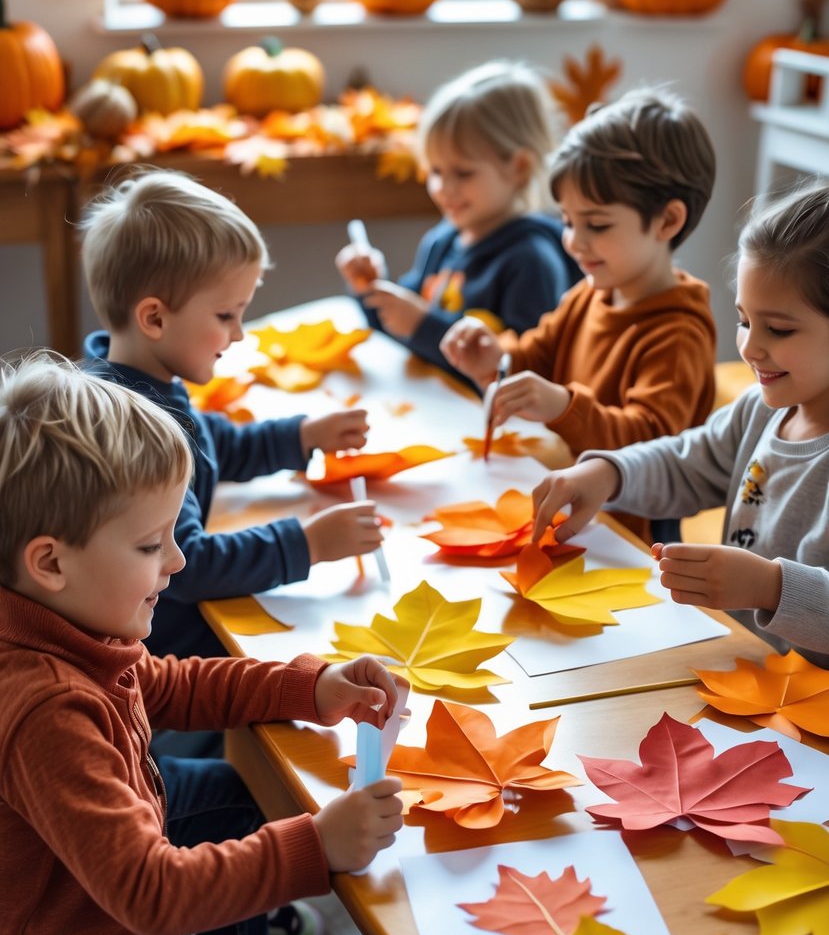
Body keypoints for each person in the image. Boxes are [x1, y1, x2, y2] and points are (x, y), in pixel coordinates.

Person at [0, 354, 404, 935]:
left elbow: (169, 686)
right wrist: (316, 845)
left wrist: (310, 685)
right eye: (148, 546)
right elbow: (149, 894)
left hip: (122, 861)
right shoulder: (45, 707)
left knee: (244, 796)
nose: (179, 560)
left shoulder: (77, 622)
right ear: (50, 562)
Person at [80, 168, 383, 663]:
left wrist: (299, 437)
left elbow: (206, 441)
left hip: (169, 627)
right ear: (154, 318)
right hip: (162, 650)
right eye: (226, 316)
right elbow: (188, 567)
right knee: (302, 657)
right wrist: (306, 544)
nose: (239, 334)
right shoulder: (134, 431)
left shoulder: (126, 382)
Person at [530, 179, 829, 668]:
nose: (750, 348)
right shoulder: (760, 410)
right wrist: (611, 473)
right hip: (743, 671)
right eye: (744, 320)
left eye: (778, 329)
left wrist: (770, 588)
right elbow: (685, 462)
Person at [440, 88, 718, 542]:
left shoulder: (678, 332)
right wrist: (495, 360)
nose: (573, 241)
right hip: (565, 513)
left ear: (668, 221)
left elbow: (650, 448)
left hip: (627, 539)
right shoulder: (589, 294)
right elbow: (536, 357)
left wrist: (563, 407)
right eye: (568, 220)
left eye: (597, 224)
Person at [335, 60, 581, 378]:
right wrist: (369, 287)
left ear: (518, 168)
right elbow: (397, 327)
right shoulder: (443, 239)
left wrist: (423, 325)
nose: (442, 188)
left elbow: (526, 373)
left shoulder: (531, 261)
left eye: (462, 173)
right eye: (435, 171)